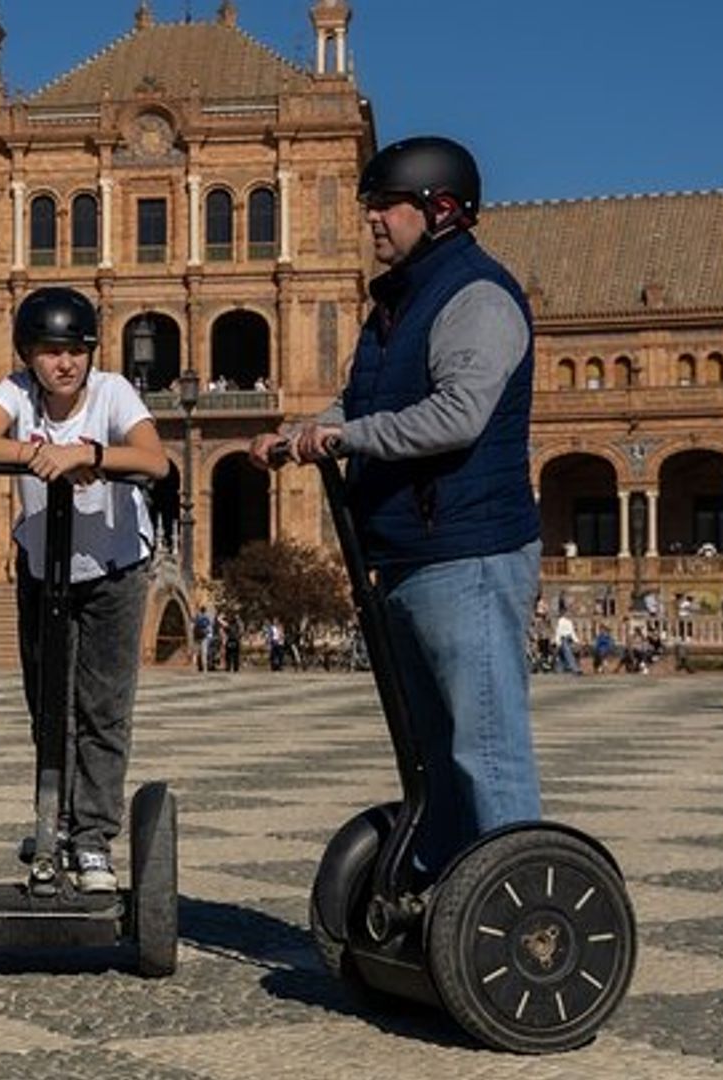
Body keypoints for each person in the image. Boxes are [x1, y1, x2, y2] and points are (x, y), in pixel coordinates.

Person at [250, 135, 543, 877]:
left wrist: (344, 437)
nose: (372, 220)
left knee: (484, 746)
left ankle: (516, 914)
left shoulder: (476, 297)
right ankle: (445, 904)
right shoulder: (398, 305)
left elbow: (458, 416)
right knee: (431, 750)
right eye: (370, 205)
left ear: (440, 211)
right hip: (410, 552)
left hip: (467, 552)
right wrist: (299, 434)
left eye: (386, 205)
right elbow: (367, 401)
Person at [0, 286, 169, 893]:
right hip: (44, 569)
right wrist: (39, 453)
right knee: (49, 705)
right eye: (50, 351)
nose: (65, 363)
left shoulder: (113, 391)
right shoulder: (16, 393)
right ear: (28, 355)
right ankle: (53, 822)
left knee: (102, 707)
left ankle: (94, 838)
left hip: (116, 569)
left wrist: (91, 453)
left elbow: (154, 461)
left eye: (76, 350)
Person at [555, 610, 581, 675]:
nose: (569, 614)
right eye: (568, 613)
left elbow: (572, 632)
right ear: (564, 613)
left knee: (562, 655)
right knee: (568, 654)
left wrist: (577, 641)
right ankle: (575, 669)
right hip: (563, 639)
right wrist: (558, 641)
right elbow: (558, 632)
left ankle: (560, 669)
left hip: (569, 639)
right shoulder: (561, 621)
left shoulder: (569, 622)